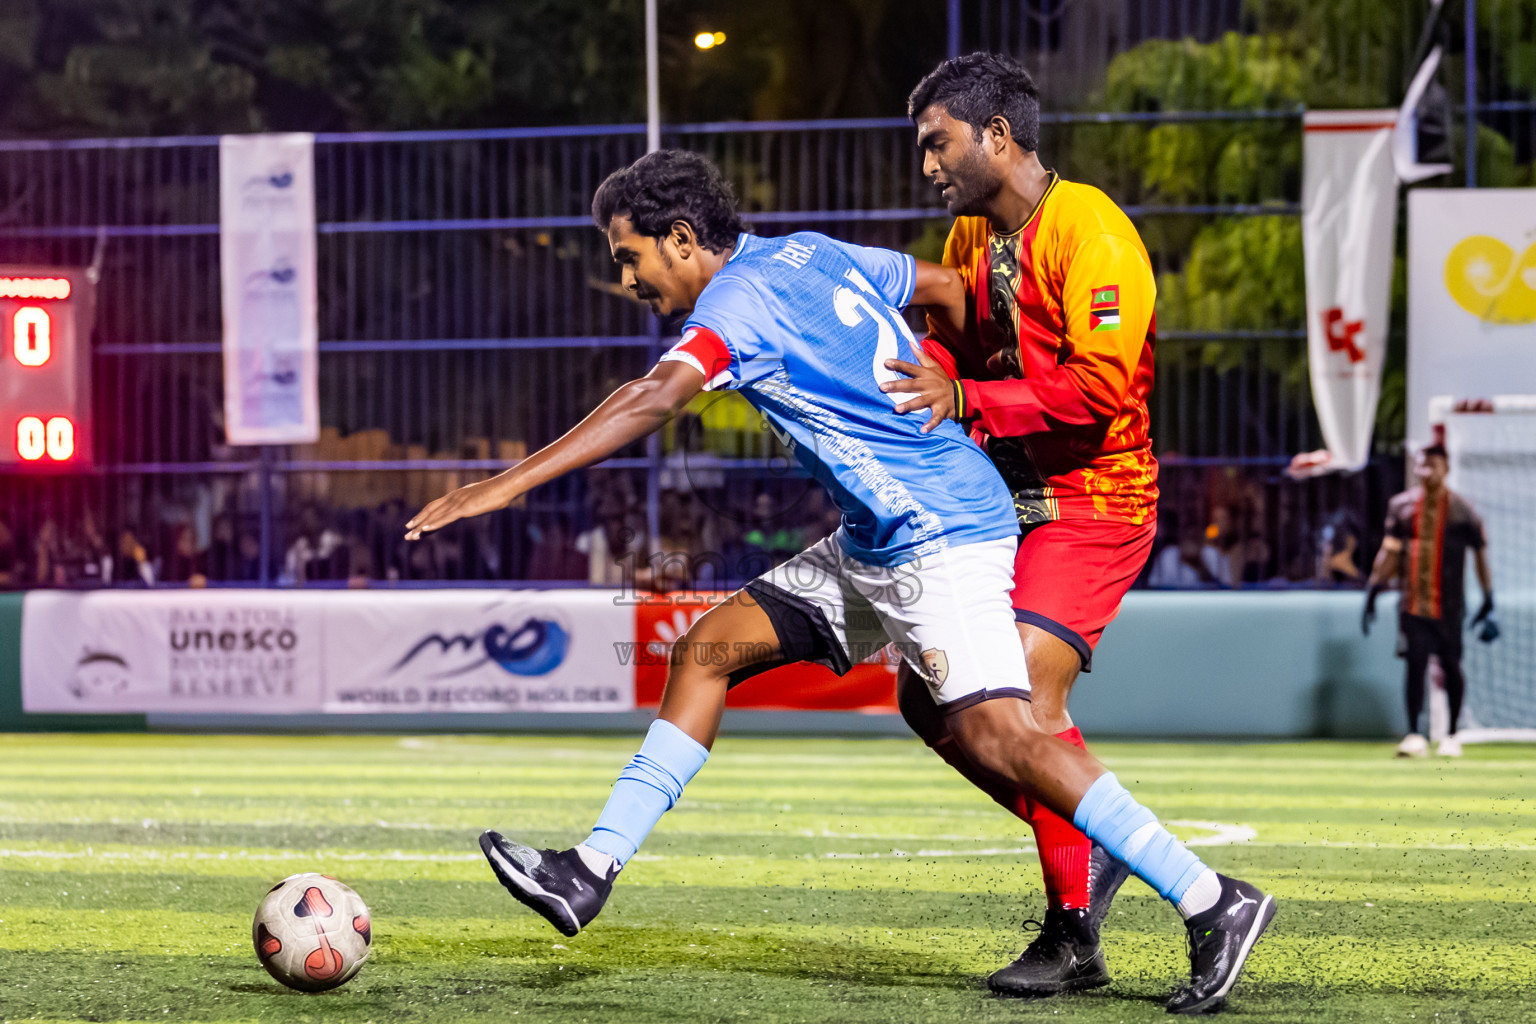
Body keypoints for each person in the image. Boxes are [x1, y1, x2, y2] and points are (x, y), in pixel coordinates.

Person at [405, 150, 1274, 1014]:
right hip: (882, 534)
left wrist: (502, 485)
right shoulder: (809, 250)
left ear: (681, 239)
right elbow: (943, 286)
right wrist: (934, 382)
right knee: (707, 651)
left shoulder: (734, 306)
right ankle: (589, 873)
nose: (628, 278)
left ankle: (1209, 898)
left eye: (630, 257)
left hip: (938, 531)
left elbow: (651, 398)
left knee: (1004, 735)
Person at [875, 52, 1161, 994]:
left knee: (1027, 705)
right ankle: (1095, 832)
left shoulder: (1093, 229)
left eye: (937, 143)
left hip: (1095, 502)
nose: (927, 165)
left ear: (997, 138)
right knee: (927, 697)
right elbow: (952, 357)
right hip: (1006, 503)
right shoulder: (966, 244)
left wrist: (962, 395)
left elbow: (1100, 387)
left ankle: (1073, 934)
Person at [1363, 443, 1497, 758]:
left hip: (1449, 605)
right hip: (1413, 603)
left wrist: (1488, 596)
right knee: (1415, 664)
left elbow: (1480, 556)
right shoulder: (1401, 507)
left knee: (1451, 666)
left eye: (1433, 465)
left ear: (1446, 468)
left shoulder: (1463, 510)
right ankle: (1414, 735)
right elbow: (1389, 552)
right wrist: (1373, 588)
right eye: (1422, 465)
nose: (1426, 471)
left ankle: (1451, 735)